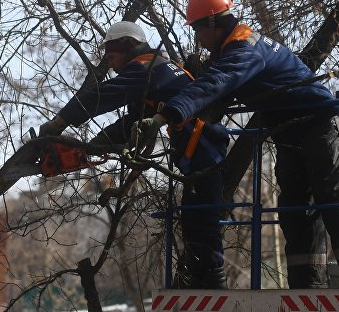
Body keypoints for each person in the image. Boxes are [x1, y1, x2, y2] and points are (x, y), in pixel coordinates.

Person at [132, 0, 339, 288]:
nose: (197, 39)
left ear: (210, 24)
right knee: (296, 208)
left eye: (196, 29)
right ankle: (307, 285)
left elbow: (217, 82)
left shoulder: (244, 48)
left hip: (319, 123)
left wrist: (164, 115)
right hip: (287, 130)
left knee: (335, 198)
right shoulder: (230, 51)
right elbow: (214, 86)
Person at [39, 21, 229, 289]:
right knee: (193, 217)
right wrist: (92, 146)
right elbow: (133, 122)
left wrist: (59, 122)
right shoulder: (158, 70)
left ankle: (212, 282)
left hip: (204, 146)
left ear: (128, 46)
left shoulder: (147, 68)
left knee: (202, 218)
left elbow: (103, 96)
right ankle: (200, 278)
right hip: (199, 147)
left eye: (112, 55)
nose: (110, 62)